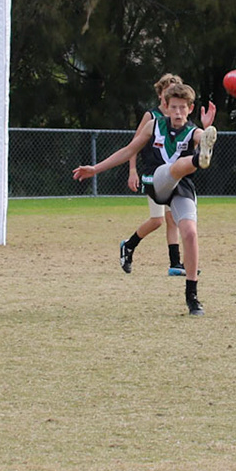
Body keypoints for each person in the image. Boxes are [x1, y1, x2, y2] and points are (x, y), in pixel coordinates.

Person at [74, 81, 219, 315]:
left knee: (190, 234)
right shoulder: (154, 125)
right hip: (156, 180)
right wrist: (95, 168)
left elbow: (204, 136)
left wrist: (207, 129)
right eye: (174, 107)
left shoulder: (194, 131)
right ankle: (196, 160)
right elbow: (128, 151)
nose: (178, 112)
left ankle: (192, 297)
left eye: (183, 107)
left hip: (181, 186)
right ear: (166, 107)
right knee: (173, 169)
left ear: (190, 109)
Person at [127, 74, 187, 275]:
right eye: (168, 91)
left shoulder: (179, 117)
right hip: (153, 175)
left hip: (171, 175)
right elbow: (133, 146)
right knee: (157, 220)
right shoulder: (151, 117)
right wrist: (132, 170)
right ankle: (129, 245)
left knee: (173, 218)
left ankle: (175, 264)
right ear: (161, 94)